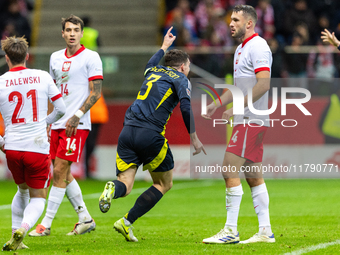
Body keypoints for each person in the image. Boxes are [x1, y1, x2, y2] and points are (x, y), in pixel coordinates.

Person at [98, 27, 205, 242]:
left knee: (125, 185)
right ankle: (126, 221)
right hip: (150, 135)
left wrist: (164, 46)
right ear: (183, 66)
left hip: (127, 132)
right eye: (189, 67)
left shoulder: (152, 71)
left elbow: (151, 62)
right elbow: (185, 108)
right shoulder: (181, 79)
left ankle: (112, 189)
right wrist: (193, 136)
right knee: (164, 184)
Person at [202, 5, 275, 244]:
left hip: (251, 119)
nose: (230, 23)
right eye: (230, 19)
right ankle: (265, 231)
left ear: (249, 23)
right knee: (253, 175)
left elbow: (263, 84)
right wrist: (217, 104)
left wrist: (240, 108)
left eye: (235, 20)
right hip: (249, 118)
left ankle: (231, 230)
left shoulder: (258, 46)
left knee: (228, 168)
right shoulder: (240, 49)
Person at [29, 14, 103, 237]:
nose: (72, 34)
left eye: (76, 30)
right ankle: (85, 218)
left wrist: (78, 115)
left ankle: (46, 224)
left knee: (60, 170)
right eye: (68, 30)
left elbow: (96, 92)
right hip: (58, 123)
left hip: (77, 124)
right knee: (61, 170)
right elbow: (54, 94)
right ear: (62, 33)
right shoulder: (54, 58)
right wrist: (49, 122)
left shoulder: (91, 57)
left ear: (81, 33)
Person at [0, 36, 66, 251]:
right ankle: (24, 228)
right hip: (36, 146)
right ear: (27, 56)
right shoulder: (42, 76)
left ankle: (15, 234)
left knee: (21, 190)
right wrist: (45, 123)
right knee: (38, 197)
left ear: (7, 57)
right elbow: (62, 109)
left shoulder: (0, 82)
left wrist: (1, 142)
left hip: (12, 147)